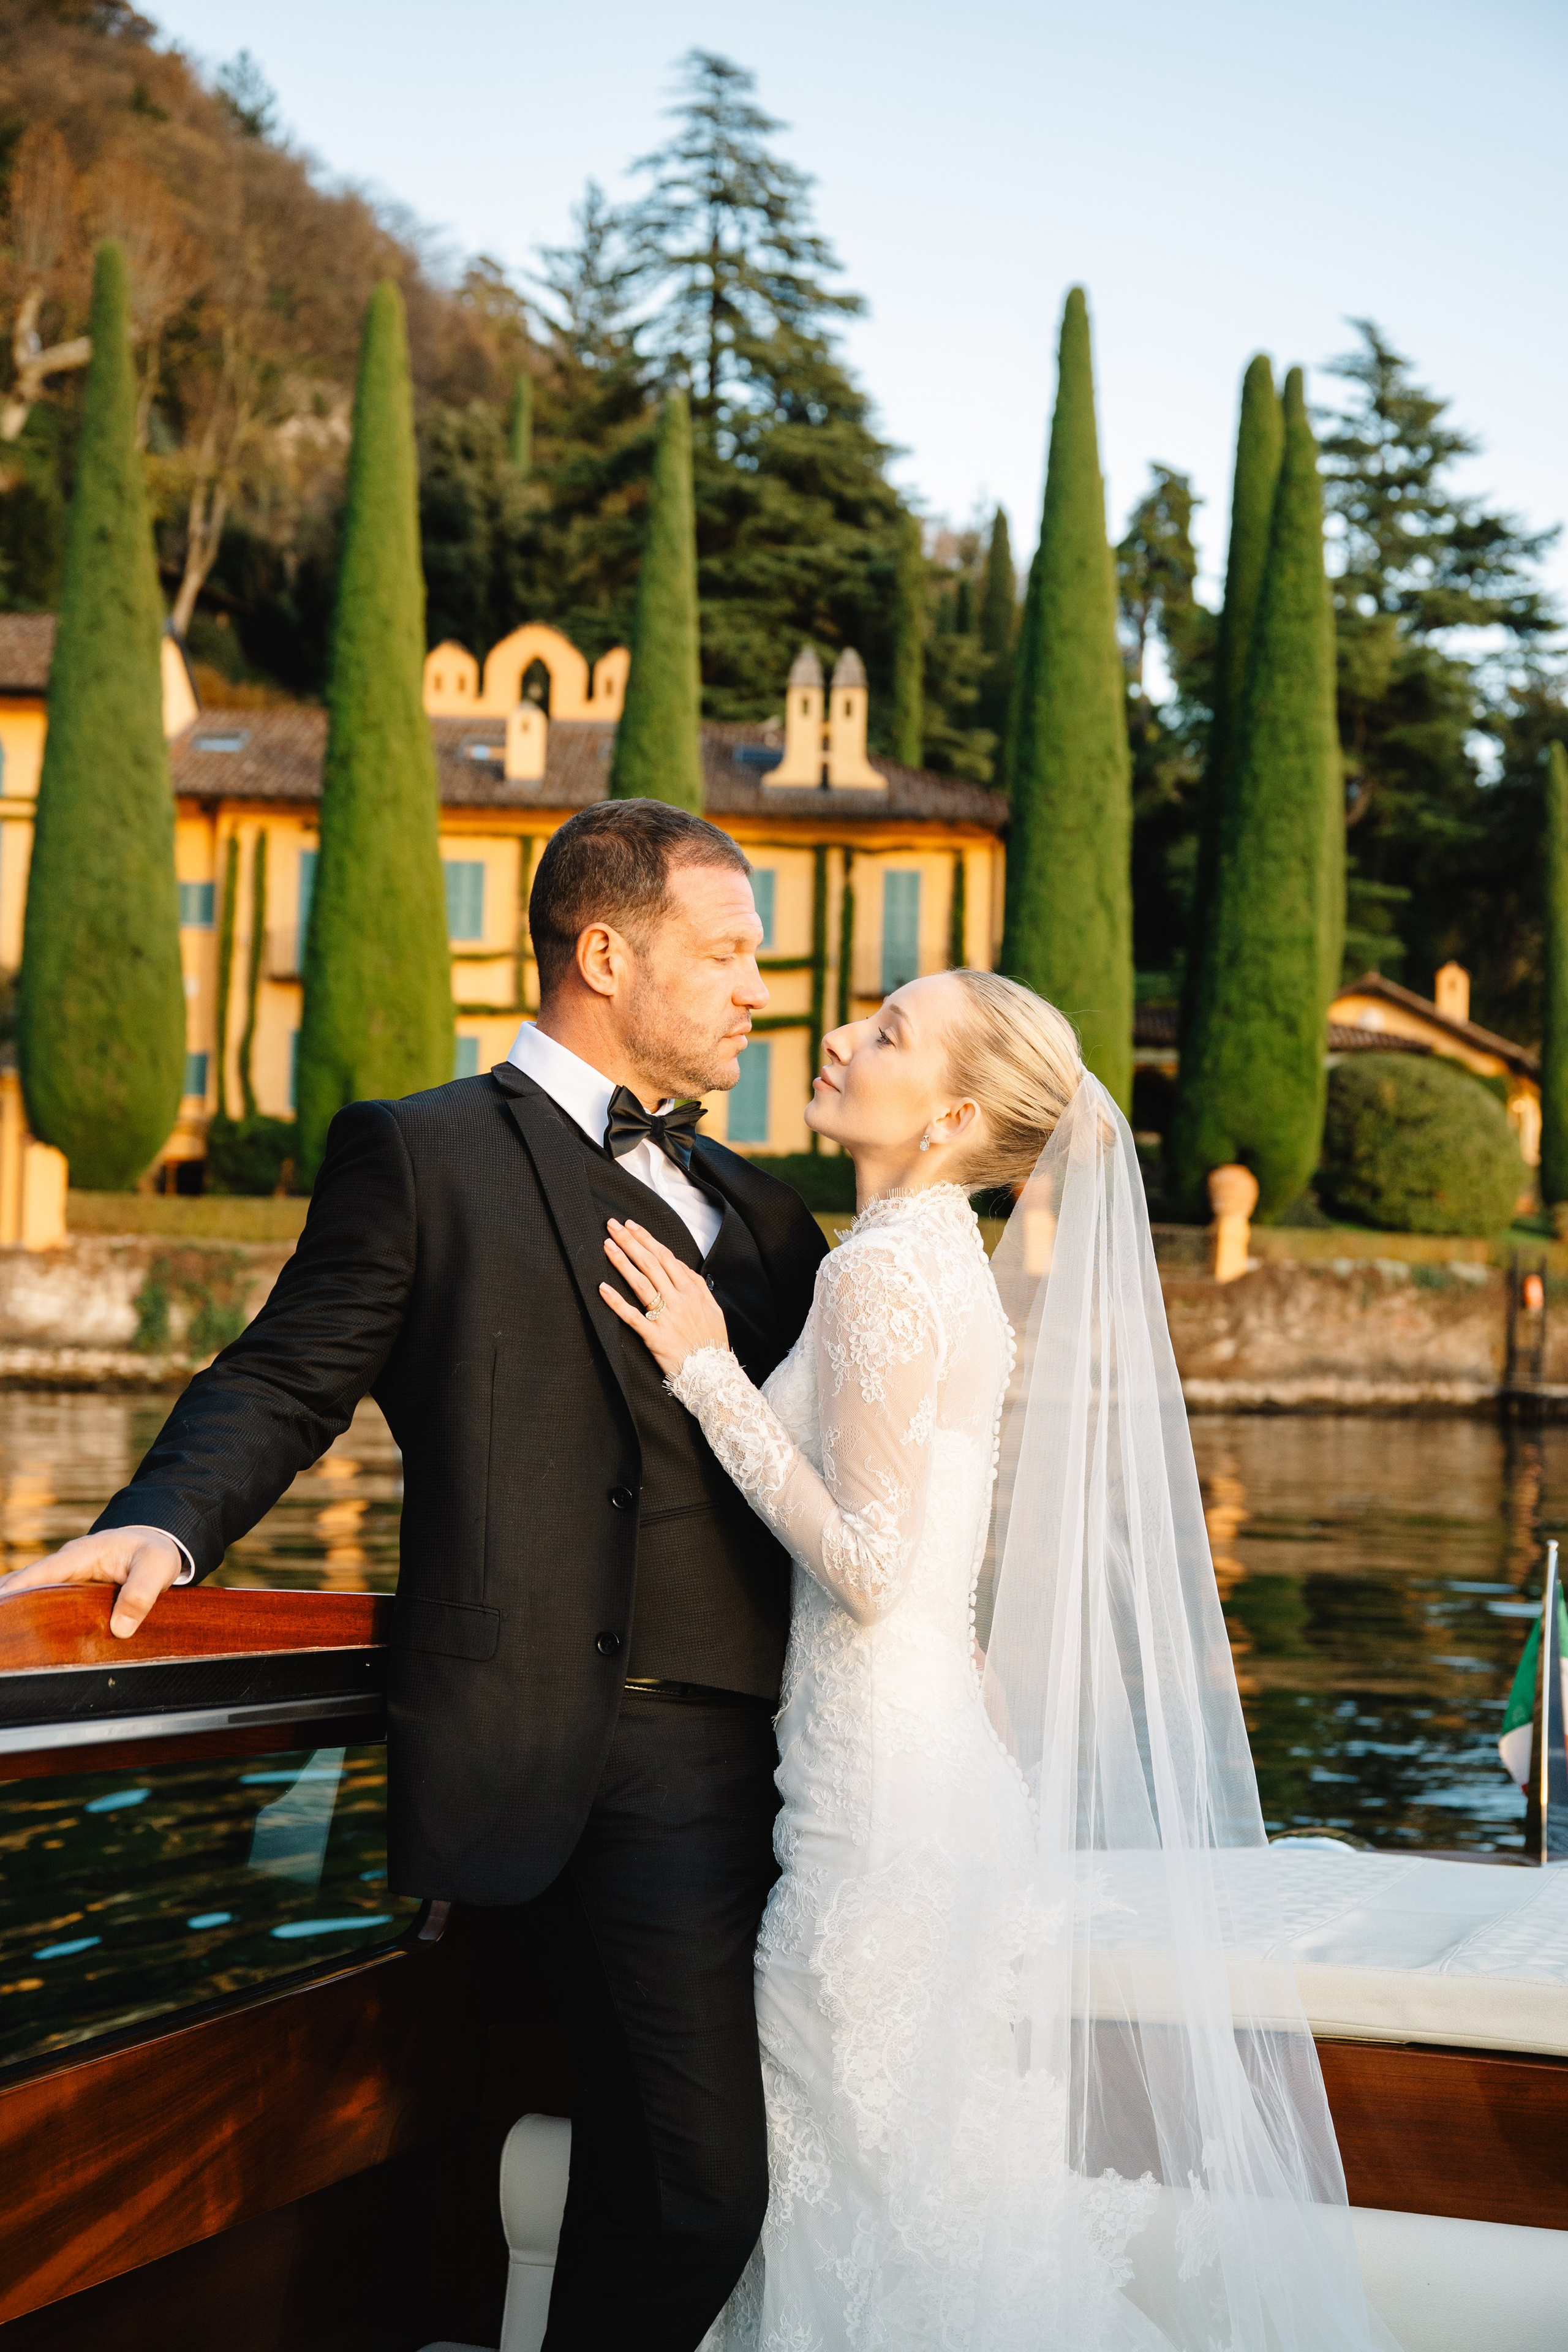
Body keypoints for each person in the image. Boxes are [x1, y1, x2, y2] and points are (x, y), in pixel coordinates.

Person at [0, 799, 828, 2352]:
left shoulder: (767, 1212)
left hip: (786, 1763)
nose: (752, 990)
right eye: (723, 954)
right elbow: (288, 1379)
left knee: (657, 2169)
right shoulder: (423, 1153)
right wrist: (163, 1524)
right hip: (575, 1753)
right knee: (705, 2193)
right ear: (602, 951)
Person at [601, 968, 1394, 2351]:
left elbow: (868, 1567)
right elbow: (931, 1560)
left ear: (951, 1112)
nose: (840, 1037)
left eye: (885, 1031)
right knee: (917, 2168)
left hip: (877, 1805)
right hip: (918, 1764)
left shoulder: (880, 1274)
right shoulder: (941, 1266)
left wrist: (706, 1369)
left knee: (864, 2158)